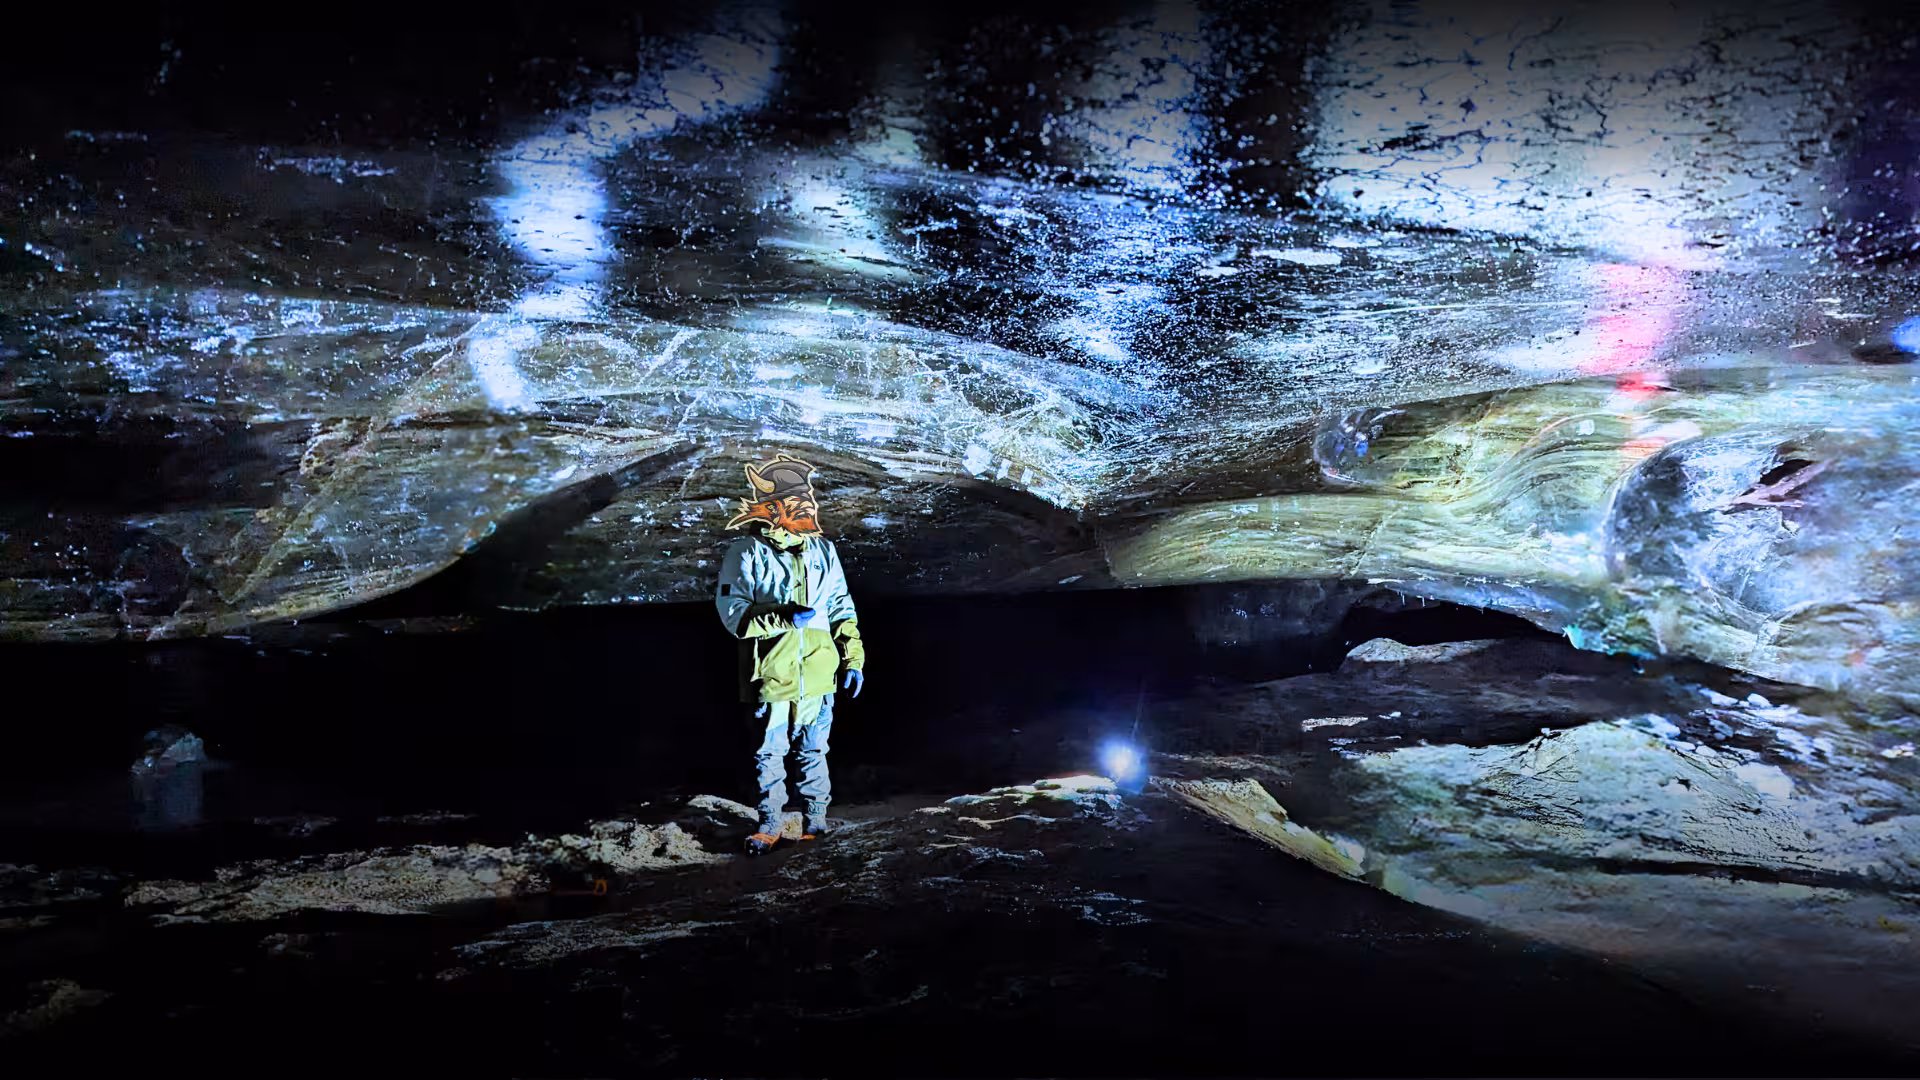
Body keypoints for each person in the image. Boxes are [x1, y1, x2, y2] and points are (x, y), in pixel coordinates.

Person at [713, 453, 866, 855]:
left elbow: (841, 607)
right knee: (769, 754)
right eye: (801, 505)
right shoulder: (745, 553)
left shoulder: (823, 552)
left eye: (811, 503)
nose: (811, 510)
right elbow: (734, 616)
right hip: (772, 675)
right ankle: (770, 825)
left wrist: (853, 659)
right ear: (774, 508)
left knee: (815, 751)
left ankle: (816, 821)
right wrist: (784, 616)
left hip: (818, 675)